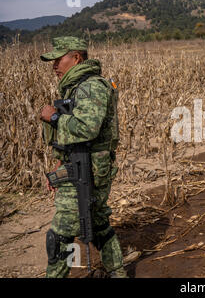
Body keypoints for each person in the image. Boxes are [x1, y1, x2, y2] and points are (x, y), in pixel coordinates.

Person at [39, 36, 127, 278]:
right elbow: (70, 138)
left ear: (76, 58)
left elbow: (87, 128)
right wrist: (59, 166)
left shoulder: (91, 86)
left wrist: (53, 117)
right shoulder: (74, 87)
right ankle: (118, 273)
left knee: (61, 233)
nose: (54, 66)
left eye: (58, 60)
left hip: (89, 170)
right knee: (97, 223)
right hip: (77, 165)